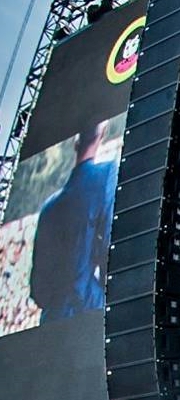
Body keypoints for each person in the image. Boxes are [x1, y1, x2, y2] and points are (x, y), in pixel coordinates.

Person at [28, 122, 118, 322]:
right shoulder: (105, 175)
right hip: (89, 309)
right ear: (101, 135)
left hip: (51, 318)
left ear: (75, 143)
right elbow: (109, 249)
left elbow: (38, 287)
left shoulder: (48, 207)